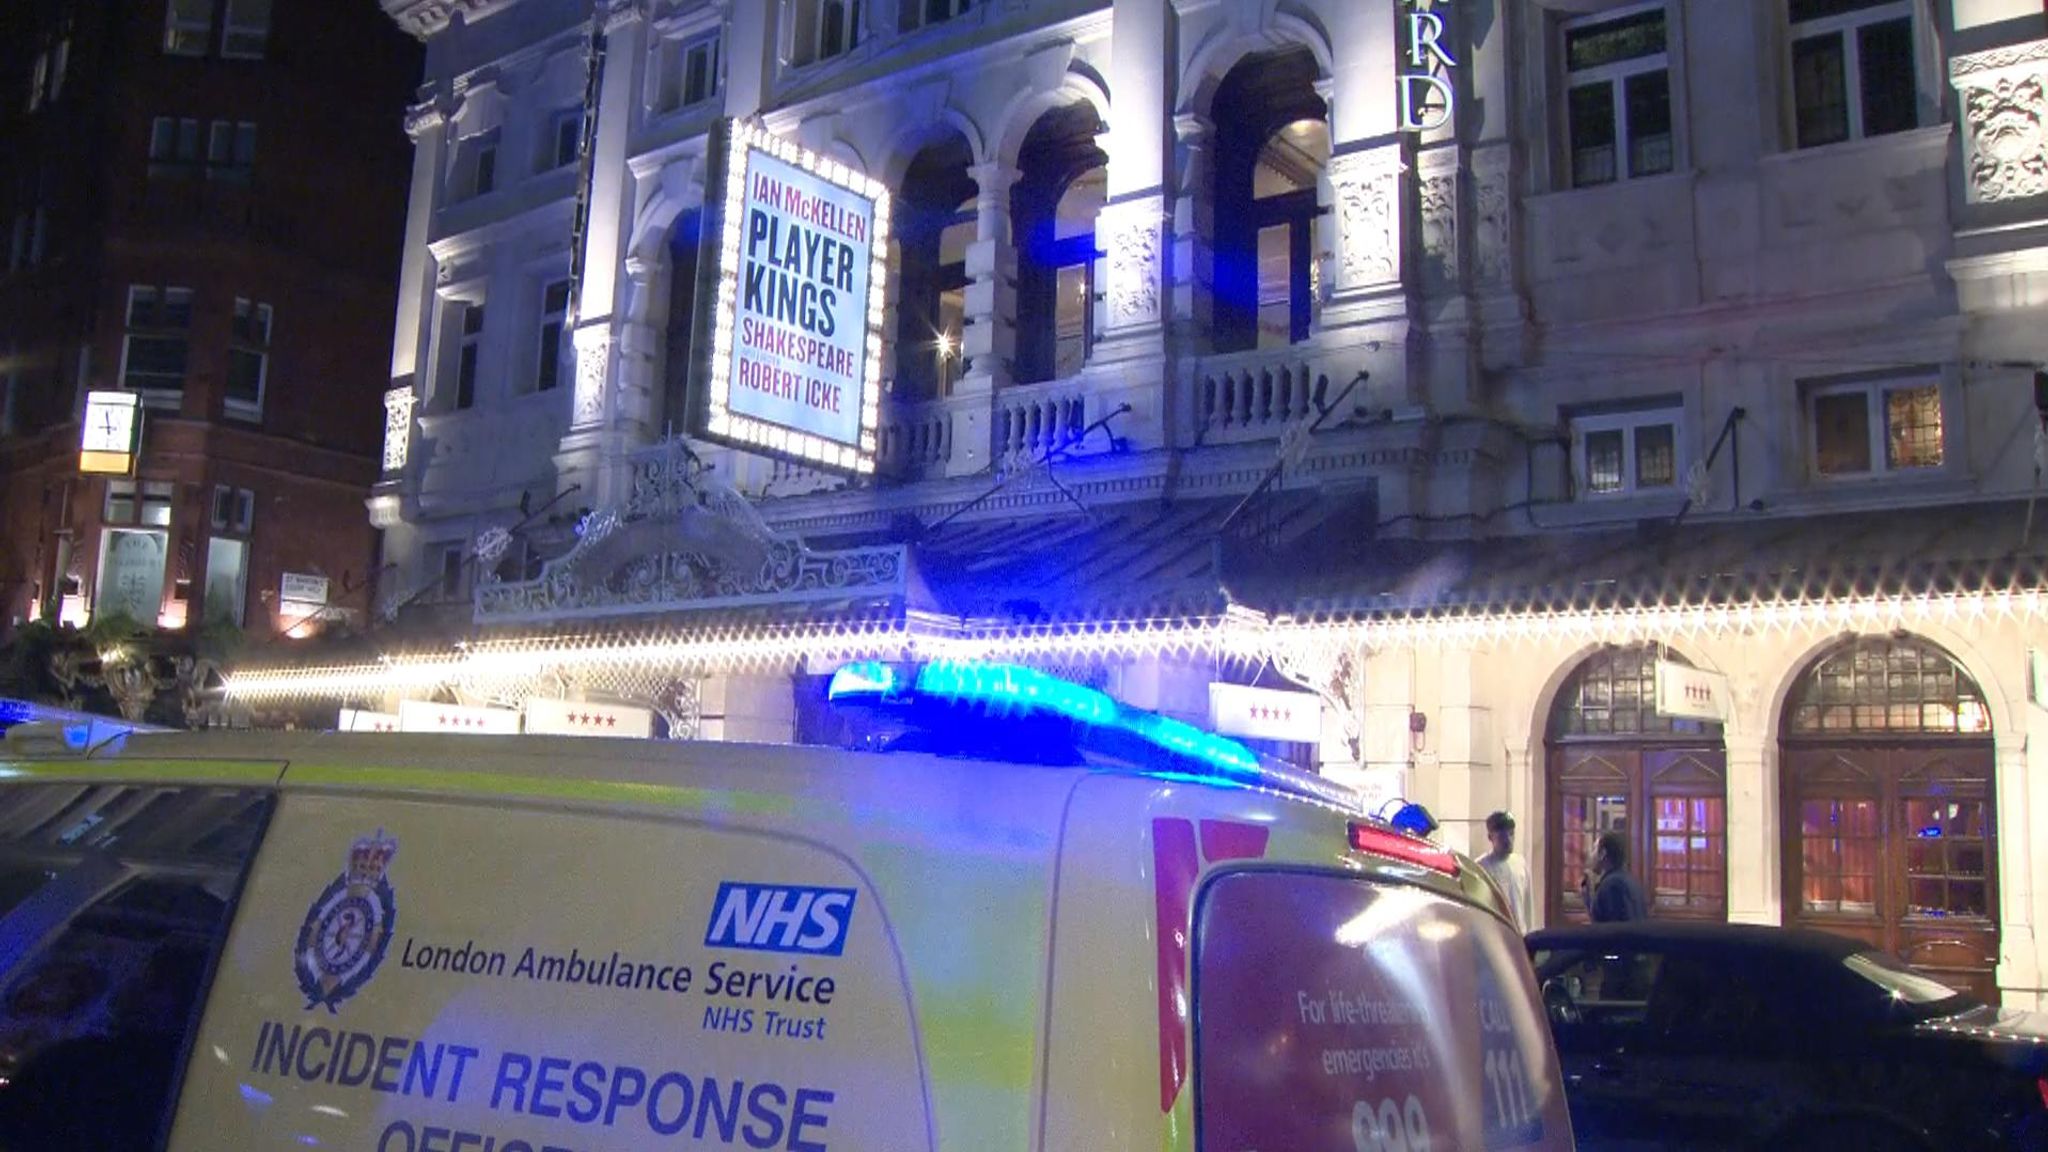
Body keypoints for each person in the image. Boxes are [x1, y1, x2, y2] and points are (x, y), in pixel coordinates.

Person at [1477, 810, 1534, 931]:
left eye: (1511, 834)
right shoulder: (1481, 867)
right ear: (1490, 837)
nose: (1508, 840)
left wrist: (1530, 934)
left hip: (1520, 935)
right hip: (1496, 935)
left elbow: (1528, 905)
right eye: (1502, 836)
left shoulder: (1520, 863)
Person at [1580, 830, 1648, 923]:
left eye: (1593, 849)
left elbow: (1611, 931)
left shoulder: (1612, 886)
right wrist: (1589, 902)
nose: (1590, 855)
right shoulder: (1631, 881)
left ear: (1602, 854)